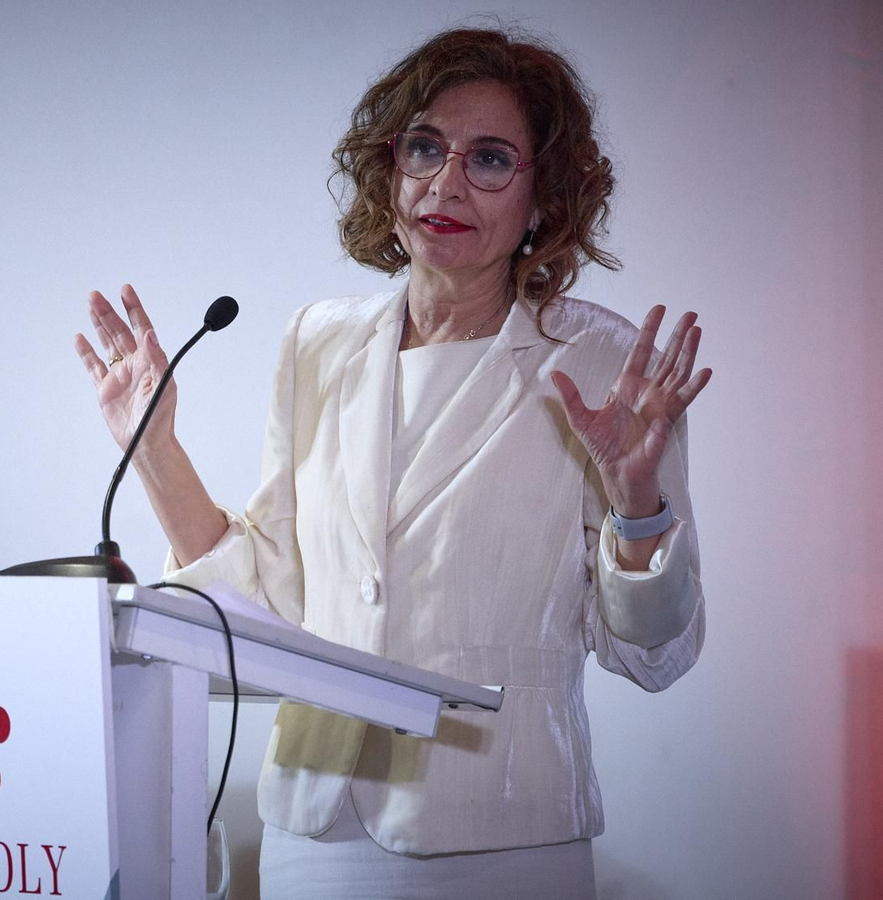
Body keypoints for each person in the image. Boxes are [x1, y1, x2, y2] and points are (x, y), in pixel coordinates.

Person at [72, 26, 710, 899]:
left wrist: (640, 510)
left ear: (543, 198)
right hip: (313, 830)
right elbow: (270, 602)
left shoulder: (603, 364)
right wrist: (154, 449)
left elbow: (656, 656)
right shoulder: (317, 343)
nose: (446, 182)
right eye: (425, 147)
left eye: (489, 158)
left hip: (501, 833)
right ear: (389, 170)